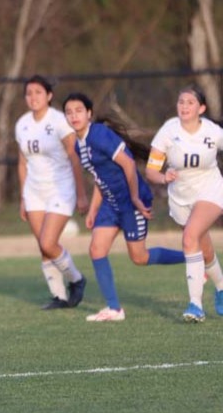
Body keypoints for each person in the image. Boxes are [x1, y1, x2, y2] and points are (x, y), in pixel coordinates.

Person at [63, 93, 185, 322]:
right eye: (69, 112)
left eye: (78, 111)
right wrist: (93, 210)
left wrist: (136, 197)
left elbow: (128, 164)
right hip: (111, 204)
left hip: (131, 202)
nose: (74, 116)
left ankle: (194, 258)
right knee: (96, 250)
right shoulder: (79, 146)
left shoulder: (99, 134)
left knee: (139, 257)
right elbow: (100, 178)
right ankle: (114, 309)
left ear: (89, 113)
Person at [145, 85, 223, 322]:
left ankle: (195, 305)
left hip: (210, 190)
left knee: (189, 238)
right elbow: (151, 170)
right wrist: (163, 177)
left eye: (190, 102)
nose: (184, 106)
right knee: (203, 249)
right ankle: (221, 288)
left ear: (201, 108)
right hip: (180, 197)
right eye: (181, 102)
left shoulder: (213, 132)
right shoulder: (168, 131)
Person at [15, 75, 89, 310]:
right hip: (34, 191)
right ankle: (60, 297)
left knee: (49, 243)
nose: (33, 97)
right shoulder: (22, 124)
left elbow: (74, 157)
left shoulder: (59, 121)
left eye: (38, 92)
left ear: (49, 95)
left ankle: (76, 279)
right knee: (43, 246)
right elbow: (22, 162)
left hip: (60, 188)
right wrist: (23, 198)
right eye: (29, 93)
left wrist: (81, 194)